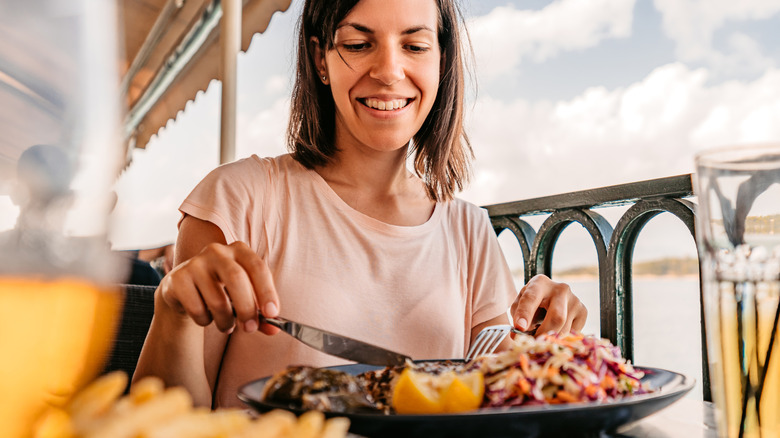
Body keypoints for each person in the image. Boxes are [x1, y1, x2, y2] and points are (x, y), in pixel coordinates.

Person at [134, 0, 588, 408]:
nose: (389, 71)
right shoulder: (239, 199)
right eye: (357, 43)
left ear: (441, 61)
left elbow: (494, 380)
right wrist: (172, 313)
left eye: (415, 46)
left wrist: (542, 337)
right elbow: (164, 421)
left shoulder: (468, 228)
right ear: (320, 59)